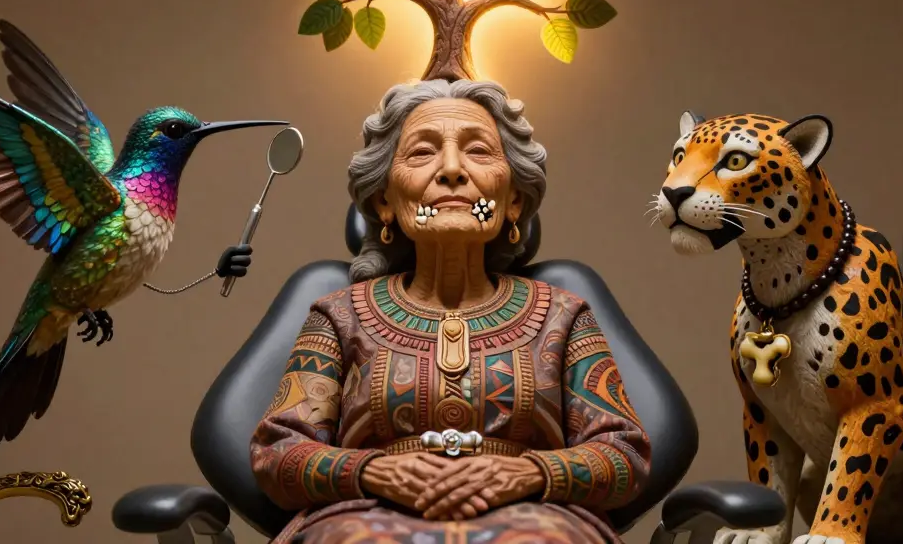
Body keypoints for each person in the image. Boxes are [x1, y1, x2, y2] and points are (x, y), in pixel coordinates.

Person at [250, 79, 651, 543]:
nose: (453, 170)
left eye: (478, 151)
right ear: (384, 201)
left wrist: (528, 474)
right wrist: (374, 471)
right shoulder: (341, 316)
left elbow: (624, 454)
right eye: (422, 153)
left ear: (514, 199)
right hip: (366, 517)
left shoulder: (562, 315)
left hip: (534, 520)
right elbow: (278, 451)